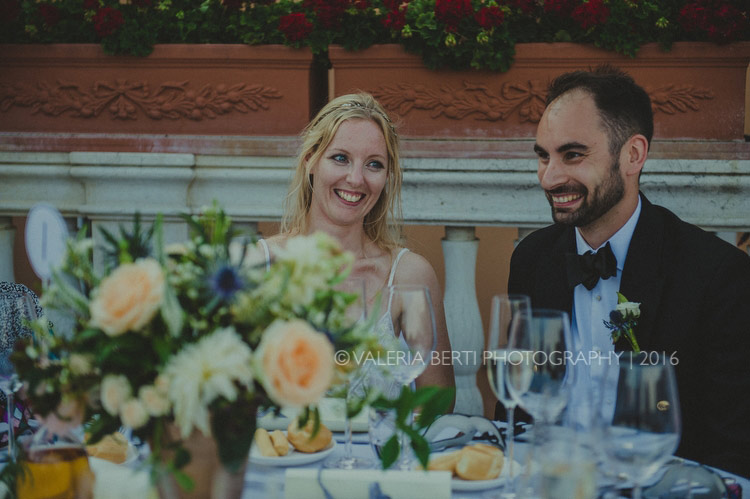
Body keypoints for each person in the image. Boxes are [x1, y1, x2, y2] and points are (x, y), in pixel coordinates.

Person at [506, 65, 750, 476]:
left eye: (573, 154)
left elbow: (734, 448)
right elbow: (521, 409)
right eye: (543, 156)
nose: (550, 176)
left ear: (633, 155)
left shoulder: (717, 274)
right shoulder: (531, 258)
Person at [262, 93, 454, 392]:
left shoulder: (410, 276)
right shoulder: (258, 265)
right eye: (341, 158)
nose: (356, 178)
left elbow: (437, 406)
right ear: (310, 161)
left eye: (374, 164)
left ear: (387, 176)